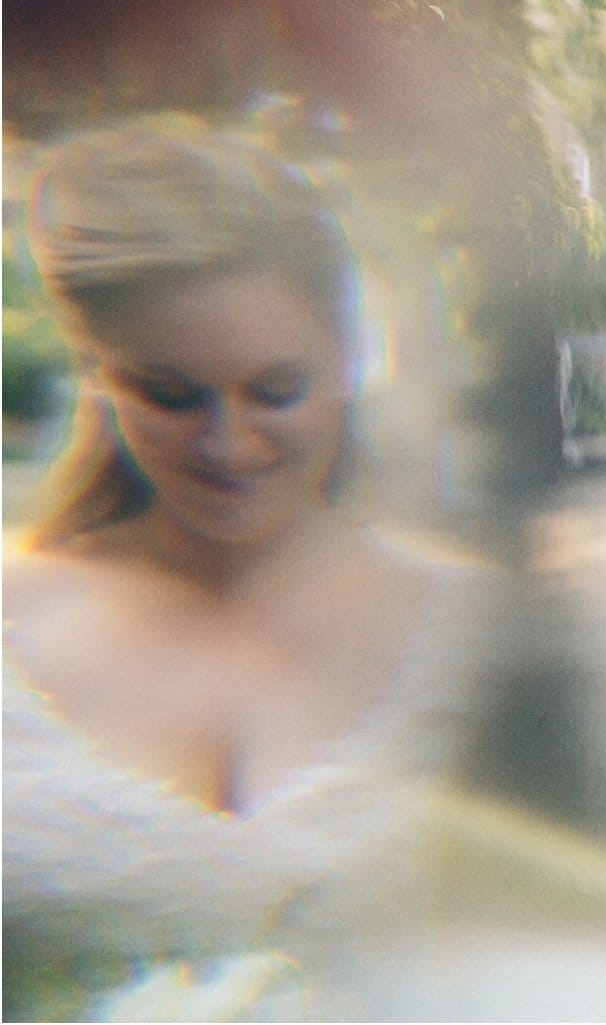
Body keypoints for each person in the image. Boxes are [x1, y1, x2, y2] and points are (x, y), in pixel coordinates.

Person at [2, 119, 485, 1020]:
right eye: (171, 395)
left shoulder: (475, 629)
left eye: (276, 388)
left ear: (346, 363)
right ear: (97, 376)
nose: (228, 443)